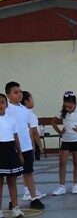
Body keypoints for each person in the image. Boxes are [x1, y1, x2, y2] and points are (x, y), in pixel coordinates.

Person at [5, 82, 45, 210]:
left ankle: (34, 199)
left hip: (26, 147)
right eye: (15, 92)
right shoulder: (6, 110)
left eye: (20, 91)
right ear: (8, 95)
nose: (19, 94)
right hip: (13, 147)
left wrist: (32, 146)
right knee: (13, 177)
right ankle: (13, 201)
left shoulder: (25, 109)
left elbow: (30, 130)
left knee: (28, 173)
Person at [0, 93, 24, 218]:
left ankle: (15, 208)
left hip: (10, 150)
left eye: (2, 102)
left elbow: (15, 137)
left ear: (6, 104)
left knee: (12, 182)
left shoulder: (11, 119)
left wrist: (19, 153)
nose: (0, 105)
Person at [20, 91, 46, 202]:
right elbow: (35, 132)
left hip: (21, 144)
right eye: (32, 98)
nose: (33, 101)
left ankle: (30, 190)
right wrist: (40, 146)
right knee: (28, 170)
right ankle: (28, 192)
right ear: (27, 101)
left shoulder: (21, 112)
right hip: (28, 144)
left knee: (27, 169)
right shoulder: (30, 114)